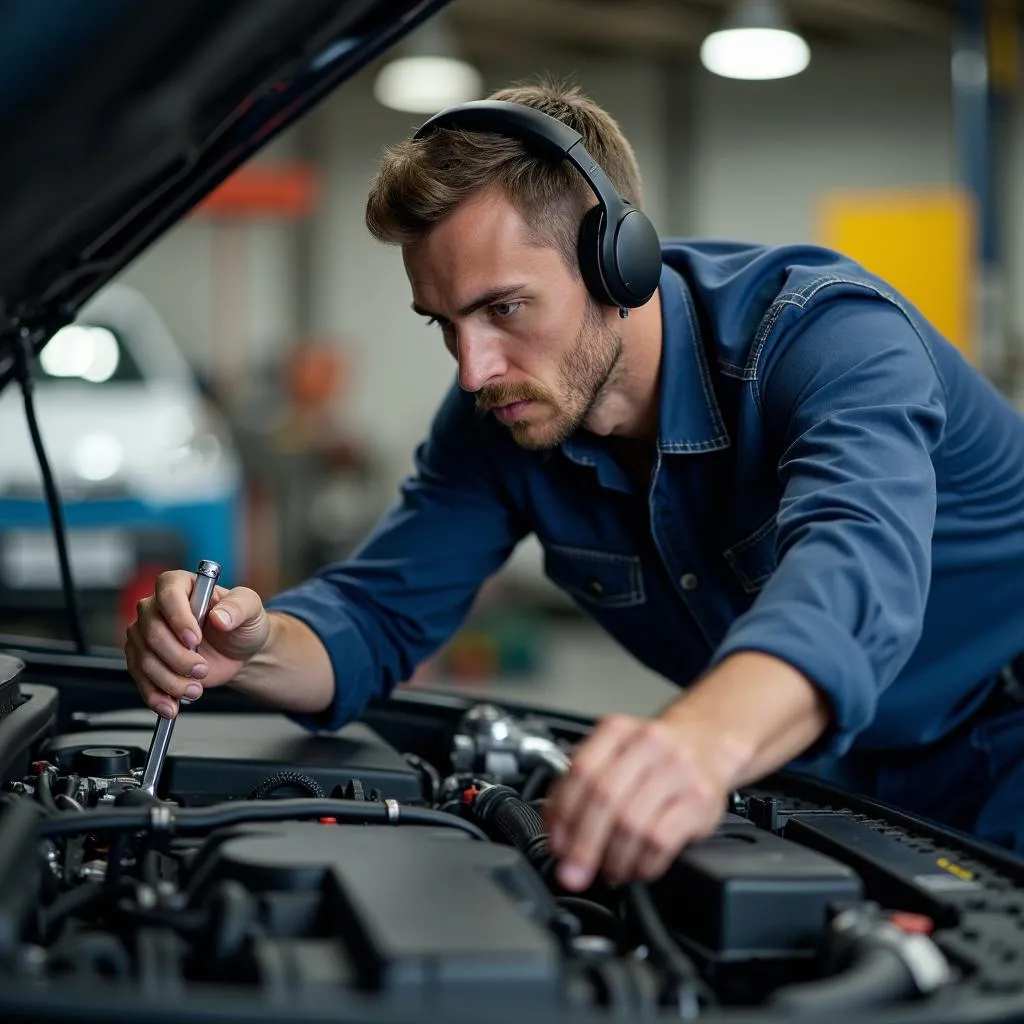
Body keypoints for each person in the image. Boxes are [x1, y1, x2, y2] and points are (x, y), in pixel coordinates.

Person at [125, 79, 1024, 894]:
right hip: (817, 780)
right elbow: (376, 618)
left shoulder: (828, 339)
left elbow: (852, 570)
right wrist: (248, 644)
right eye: (444, 323)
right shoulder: (501, 418)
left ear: (617, 265)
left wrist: (697, 743)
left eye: (503, 308)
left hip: (1001, 744)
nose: (473, 369)